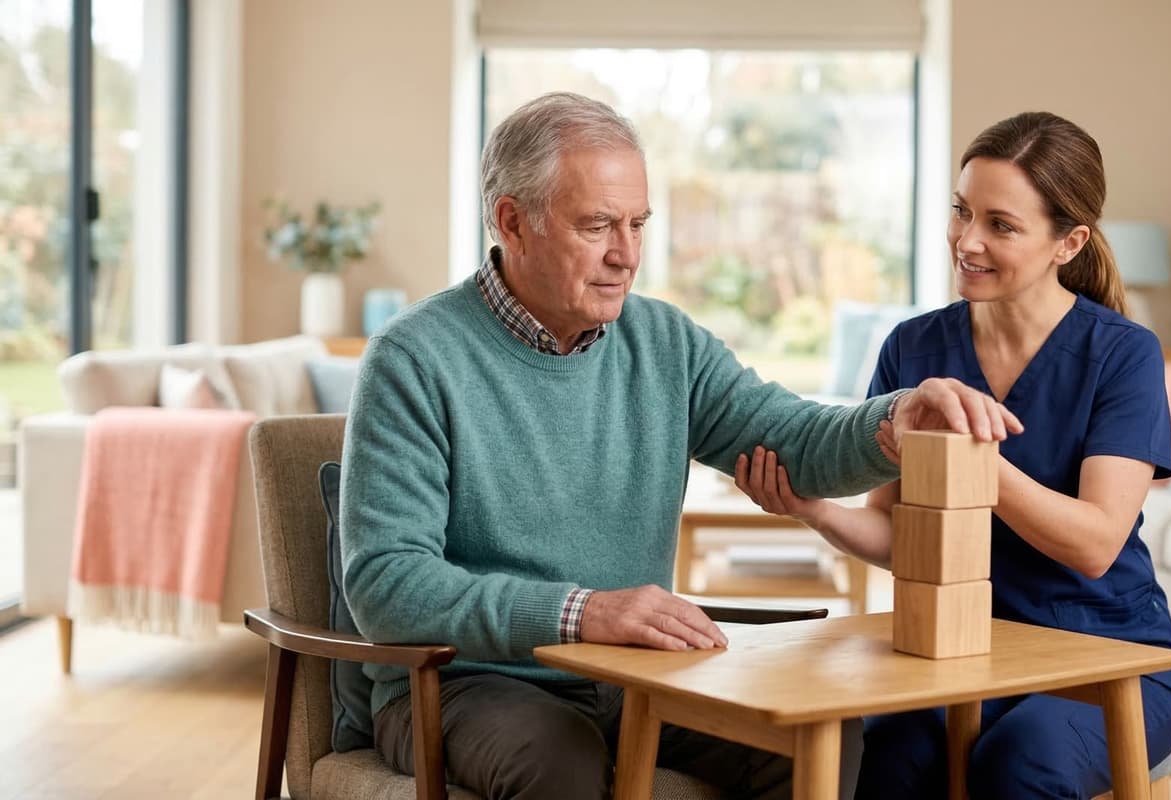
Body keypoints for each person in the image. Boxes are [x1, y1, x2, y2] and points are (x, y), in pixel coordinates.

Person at [339, 91, 1019, 800]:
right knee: (561, 763)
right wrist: (584, 611)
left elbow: (789, 439)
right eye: (597, 225)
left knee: (822, 737)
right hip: (464, 684)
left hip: (637, 676)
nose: (625, 255)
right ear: (513, 221)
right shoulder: (413, 358)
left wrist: (891, 422)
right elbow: (388, 584)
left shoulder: (663, 343)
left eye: (637, 224)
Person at [734, 110, 1171, 800]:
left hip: (1110, 654)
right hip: (962, 652)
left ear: (1068, 243)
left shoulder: (1122, 354)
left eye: (1000, 225)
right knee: (882, 757)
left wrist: (970, 459)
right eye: (960, 211)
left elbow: (1096, 543)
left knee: (1019, 764)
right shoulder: (912, 351)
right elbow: (899, 535)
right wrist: (813, 510)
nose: (966, 241)